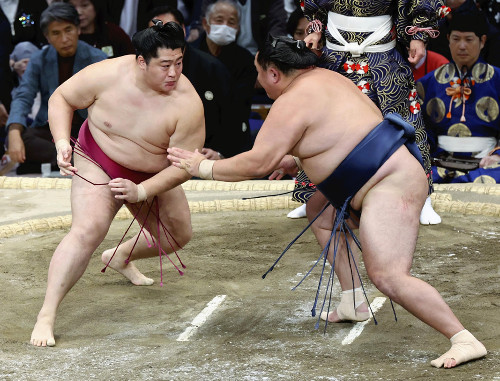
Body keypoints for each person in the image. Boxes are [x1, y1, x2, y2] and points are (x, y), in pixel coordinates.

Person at [167, 35, 487, 369]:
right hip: (377, 175)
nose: (257, 80)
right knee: (319, 208)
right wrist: (296, 160)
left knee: (389, 276)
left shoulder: (290, 102)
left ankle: (463, 338)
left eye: (258, 72)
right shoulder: (330, 78)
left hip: (390, 183)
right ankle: (353, 301)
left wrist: (201, 167)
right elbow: (344, 130)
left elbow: (257, 163)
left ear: (274, 73)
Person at [30, 20, 204, 347]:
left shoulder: (188, 104)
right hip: (97, 158)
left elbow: (184, 166)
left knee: (180, 234)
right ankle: (47, 314)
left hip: (151, 173)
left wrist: (142, 191)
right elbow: (61, 98)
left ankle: (120, 256)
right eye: (165, 65)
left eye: (179, 63)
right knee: (88, 228)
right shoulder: (106, 75)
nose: (174, 73)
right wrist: (60, 143)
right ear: (141, 61)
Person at [299, 0, 446, 226]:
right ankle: (316, 196)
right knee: (323, 123)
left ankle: (421, 196)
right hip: (334, 53)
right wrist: (316, 27)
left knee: (403, 123)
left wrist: (418, 35)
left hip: (381, 55)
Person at [5, 2, 107, 175]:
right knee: (20, 137)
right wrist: (14, 132)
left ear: (78, 29)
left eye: (68, 30)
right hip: (50, 130)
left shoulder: (97, 58)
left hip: (86, 130)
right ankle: (75, 160)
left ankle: (67, 159)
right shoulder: (39, 59)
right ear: (47, 37)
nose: (64, 39)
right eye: (56, 33)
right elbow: (24, 96)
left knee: (108, 142)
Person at [148, 6, 250, 160]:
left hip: (204, 156)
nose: (162, 36)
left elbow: (233, 117)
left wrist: (220, 152)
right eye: (155, 31)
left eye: (169, 28)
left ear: (183, 30)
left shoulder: (212, 68)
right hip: (154, 156)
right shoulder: (141, 69)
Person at [417, 12, 500, 183]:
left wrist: (497, 155)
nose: (462, 46)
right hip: (439, 161)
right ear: (448, 39)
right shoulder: (428, 82)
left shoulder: (498, 79)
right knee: (412, 177)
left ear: (482, 41)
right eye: (456, 39)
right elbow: (418, 128)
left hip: (488, 162)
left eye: (469, 40)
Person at [196, 0, 256, 156]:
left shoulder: (245, 60)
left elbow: (239, 109)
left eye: (231, 22)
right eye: (219, 20)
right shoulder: (190, 54)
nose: (225, 26)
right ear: (205, 23)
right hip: (192, 139)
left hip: (229, 144)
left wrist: (220, 153)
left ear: (237, 28)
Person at [64, 0, 135, 58]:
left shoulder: (114, 33)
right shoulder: (64, 37)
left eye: (84, 5)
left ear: (96, 5)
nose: (78, 12)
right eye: (72, 6)